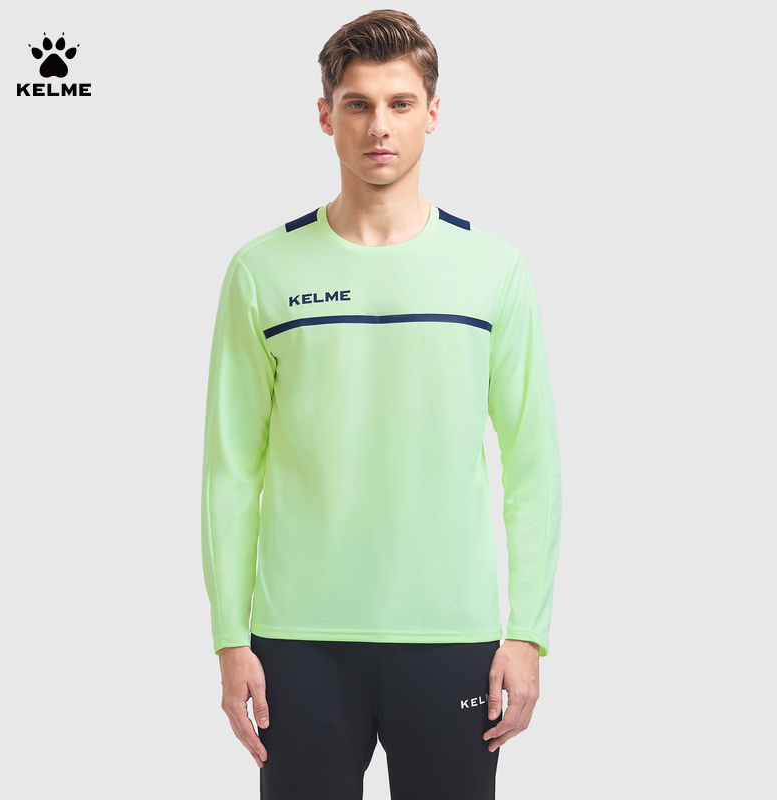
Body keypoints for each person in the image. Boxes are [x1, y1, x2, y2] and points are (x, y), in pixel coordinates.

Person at [200, 9, 562, 800]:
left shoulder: (493, 270)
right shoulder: (262, 271)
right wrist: (230, 637)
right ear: (325, 115)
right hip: (296, 641)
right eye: (358, 104)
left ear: (434, 113)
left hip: (452, 637)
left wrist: (528, 633)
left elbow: (533, 468)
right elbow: (230, 471)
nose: (379, 126)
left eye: (400, 103)